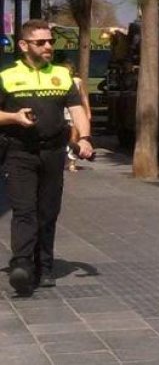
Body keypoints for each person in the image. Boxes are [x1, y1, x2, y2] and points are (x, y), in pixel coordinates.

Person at [0, 20, 94, 295]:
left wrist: (85, 139)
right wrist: (14, 117)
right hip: (19, 152)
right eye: (41, 42)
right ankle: (22, 265)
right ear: (24, 45)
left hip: (53, 153)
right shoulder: (6, 76)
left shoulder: (62, 77)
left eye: (51, 41)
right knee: (24, 210)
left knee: (47, 212)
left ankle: (45, 268)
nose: (48, 47)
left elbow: (77, 111)